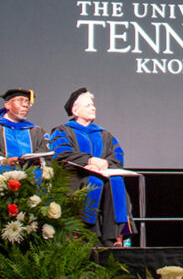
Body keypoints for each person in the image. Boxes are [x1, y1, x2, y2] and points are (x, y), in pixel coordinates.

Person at [49, 87, 137, 246]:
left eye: (93, 105)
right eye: (88, 105)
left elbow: (117, 155)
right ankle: (88, 235)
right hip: (75, 179)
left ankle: (114, 237)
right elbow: (61, 153)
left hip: (103, 178)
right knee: (93, 182)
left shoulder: (104, 134)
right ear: (75, 110)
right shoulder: (62, 131)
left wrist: (105, 164)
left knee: (116, 182)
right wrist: (89, 161)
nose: (93, 108)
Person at [0, 88, 49, 167]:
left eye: (27, 102)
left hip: (34, 177)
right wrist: (4, 161)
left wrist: (38, 160)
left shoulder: (38, 132)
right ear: (7, 105)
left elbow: (46, 153)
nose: (25, 105)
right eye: (20, 100)